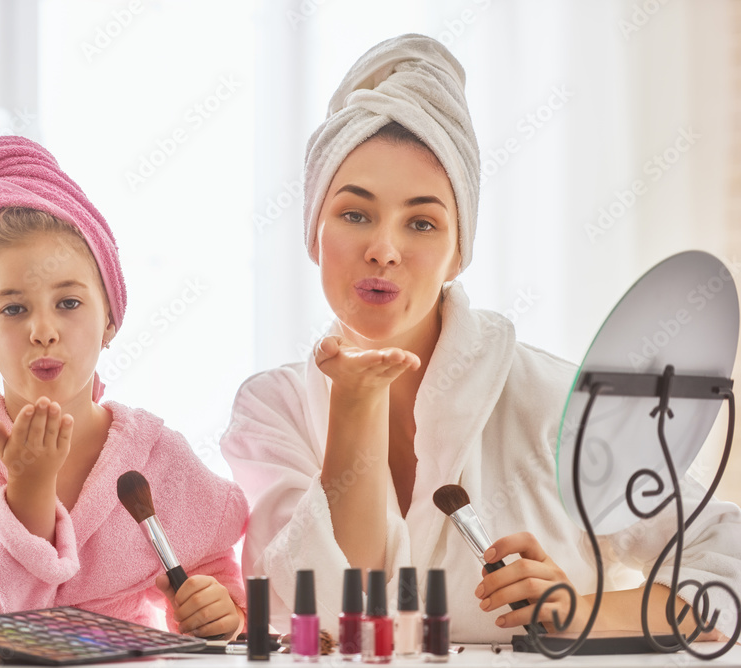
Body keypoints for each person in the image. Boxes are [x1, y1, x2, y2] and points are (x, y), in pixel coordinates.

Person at [221, 34, 741, 642]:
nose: (383, 249)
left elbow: (724, 572)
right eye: (355, 213)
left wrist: (582, 613)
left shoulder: (554, 401)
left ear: (457, 253)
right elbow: (338, 620)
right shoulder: (270, 412)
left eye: (422, 222)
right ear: (315, 232)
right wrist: (355, 404)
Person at [0, 136, 246, 638]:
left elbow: (214, 571)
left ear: (110, 316)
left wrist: (219, 610)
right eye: (14, 309)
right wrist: (28, 491)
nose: (44, 329)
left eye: (68, 303)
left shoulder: (154, 456)